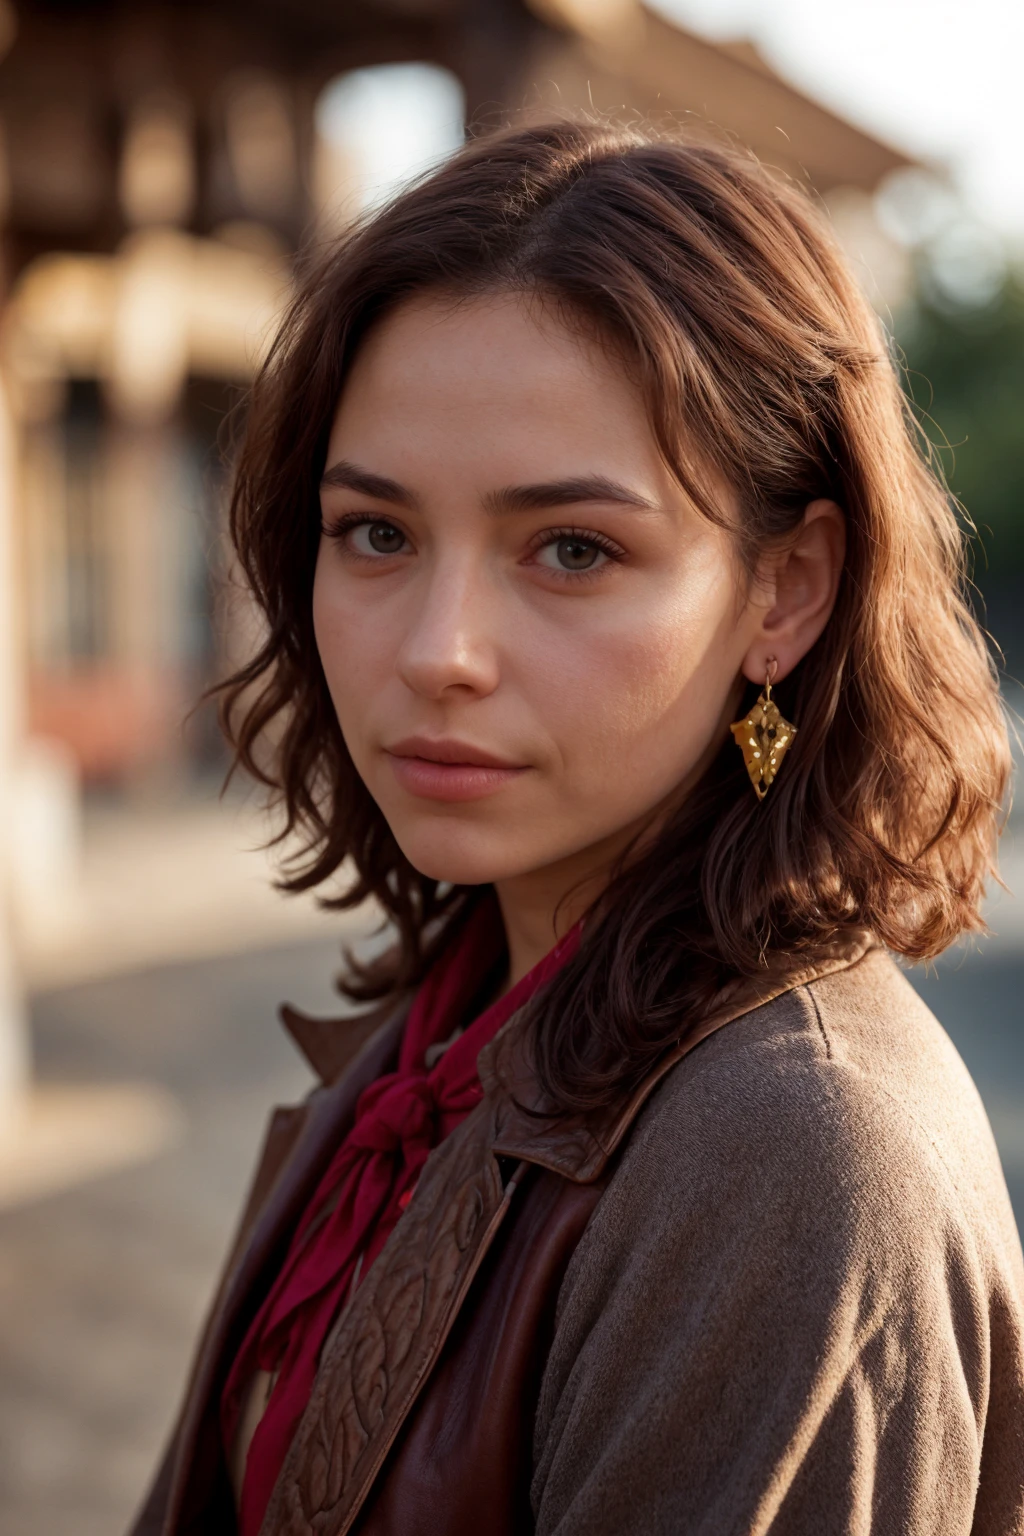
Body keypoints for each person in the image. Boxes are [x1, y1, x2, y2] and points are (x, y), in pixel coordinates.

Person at [131, 119, 1024, 1536]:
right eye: (375, 531)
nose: (439, 650)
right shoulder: (453, 1021)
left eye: (573, 550)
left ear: (784, 591)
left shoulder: (789, 1151)